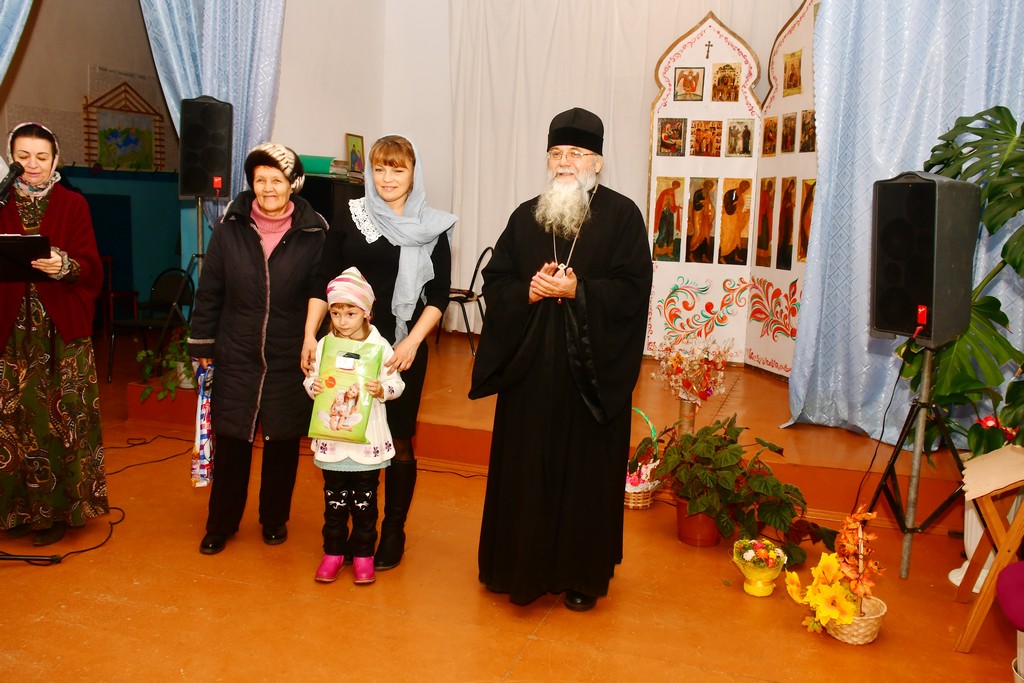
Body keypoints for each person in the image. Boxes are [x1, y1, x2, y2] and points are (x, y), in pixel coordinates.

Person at [469, 107, 653, 612]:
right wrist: (528, 292)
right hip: (530, 376)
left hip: (588, 379)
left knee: (584, 477)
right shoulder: (526, 215)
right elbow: (496, 281)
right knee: (525, 472)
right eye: (556, 153)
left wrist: (579, 290)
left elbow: (633, 289)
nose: (565, 162)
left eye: (576, 153)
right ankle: (517, 569)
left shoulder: (622, 217)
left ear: (597, 162)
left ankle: (580, 576)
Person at [304, 134, 456, 570]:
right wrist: (310, 335)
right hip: (347, 345)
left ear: (414, 173)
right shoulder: (351, 215)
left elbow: (438, 295)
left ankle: (393, 531)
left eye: (398, 168)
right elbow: (322, 279)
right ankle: (350, 534)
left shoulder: (432, 226)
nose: (387, 178)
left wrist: (412, 342)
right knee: (344, 432)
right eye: (380, 168)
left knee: (400, 440)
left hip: (400, 348)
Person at [188, 142, 327, 555]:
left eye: (276, 180)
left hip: (289, 353)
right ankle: (221, 524)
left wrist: (313, 339)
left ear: (293, 183)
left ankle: (274, 519)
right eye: (260, 179)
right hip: (236, 350)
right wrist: (202, 343)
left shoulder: (314, 232)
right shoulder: (230, 227)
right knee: (233, 438)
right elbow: (210, 291)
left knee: (282, 442)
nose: (268, 188)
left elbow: (320, 290)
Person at [0, 122, 108, 546]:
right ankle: (15, 511)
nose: (32, 164)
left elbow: (92, 267)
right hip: (9, 334)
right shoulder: (1, 201)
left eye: (41, 157)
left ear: (55, 160)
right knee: (12, 421)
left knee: (62, 420)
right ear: (11, 159)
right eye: (23, 156)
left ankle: (60, 511)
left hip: (61, 332)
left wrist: (65, 266)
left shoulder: (72, 204)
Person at [304, 267, 405, 585]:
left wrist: (382, 390)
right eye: (336, 313)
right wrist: (313, 387)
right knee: (334, 502)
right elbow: (312, 378)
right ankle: (333, 553)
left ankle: (363, 555)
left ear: (366, 313)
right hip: (334, 441)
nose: (342, 321)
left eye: (350, 313)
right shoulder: (325, 345)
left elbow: (397, 384)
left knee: (365, 502)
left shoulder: (380, 346)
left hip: (366, 444)